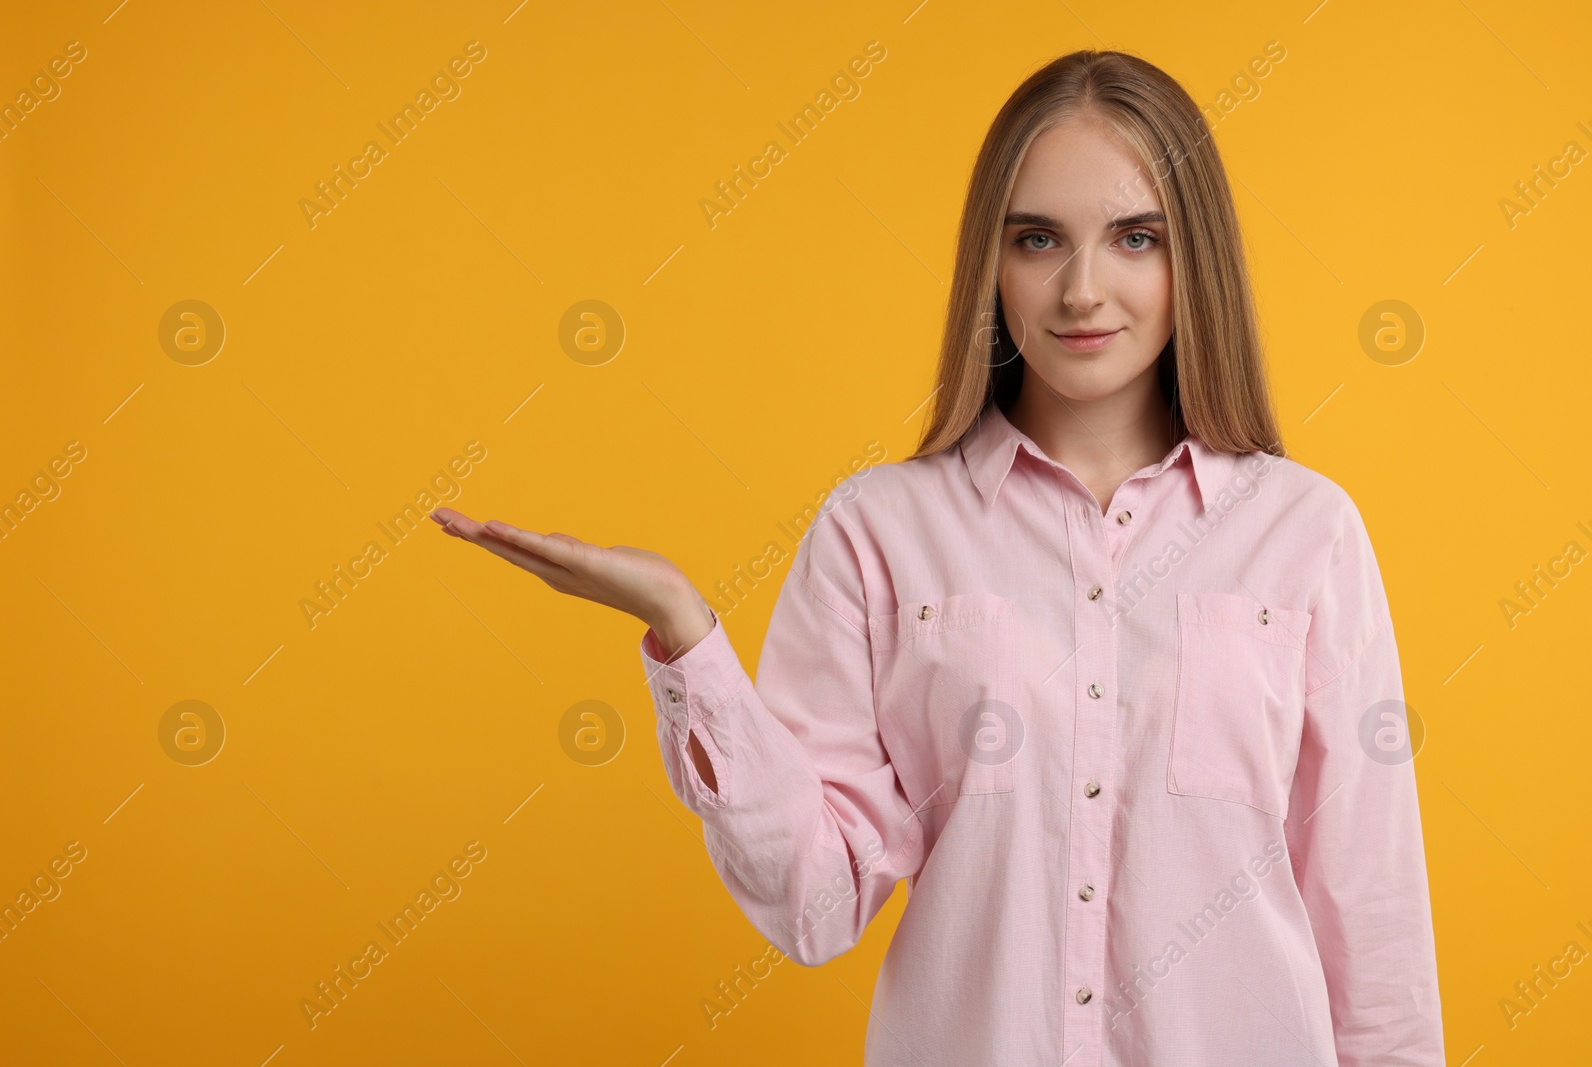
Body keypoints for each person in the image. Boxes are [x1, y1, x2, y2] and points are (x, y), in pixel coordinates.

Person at [432, 48, 1444, 1067]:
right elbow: (815, 904)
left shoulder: (1305, 532)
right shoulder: (878, 532)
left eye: (1136, 238)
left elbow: (1369, 901)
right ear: (988, 262)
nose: (1081, 288)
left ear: (1196, 262)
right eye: (1037, 238)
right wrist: (689, 636)